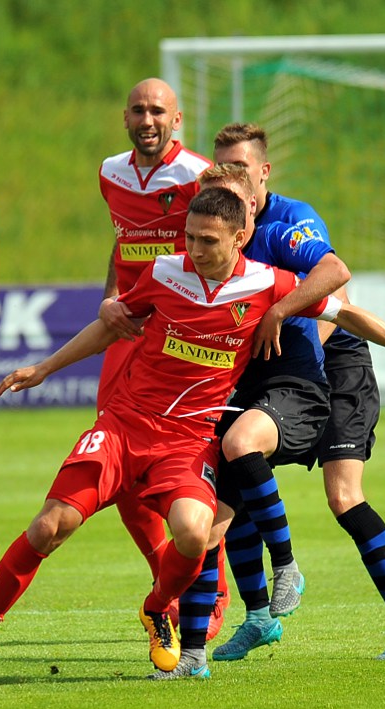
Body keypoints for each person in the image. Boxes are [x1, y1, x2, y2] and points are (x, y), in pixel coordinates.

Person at [0, 187, 350, 686]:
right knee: (49, 527)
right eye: (190, 237)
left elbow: (342, 302)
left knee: (194, 533)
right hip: (124, 426)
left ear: (240, 238)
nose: (195, 249)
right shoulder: (164, 272)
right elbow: (113, 325)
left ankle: (157, 607)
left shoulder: (269, 283)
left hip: (187, 440)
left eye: (209, 240)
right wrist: (44, 368)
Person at [214, 123, 385, 660]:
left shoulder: (291, 221)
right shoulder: (220, 227)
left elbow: (335, 289)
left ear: (262, 173)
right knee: (235, 481)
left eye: (241, 169)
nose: (231, 180)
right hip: (276, 367)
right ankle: (258, 619)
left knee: (344, 497)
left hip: (333, 365)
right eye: (222, 168)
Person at [96, 78, 231, 640]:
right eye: (138, 110)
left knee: (192, 472)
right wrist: (110, 298)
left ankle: (210, 594)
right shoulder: (110, 173)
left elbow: (231, 237)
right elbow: (124, 240)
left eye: (158, 111)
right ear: (125, 116)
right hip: (127, 333)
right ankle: (168, 584)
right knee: (116, 473)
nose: (147, 119)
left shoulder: (199, 174)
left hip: (179, 340)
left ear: (177, 119)